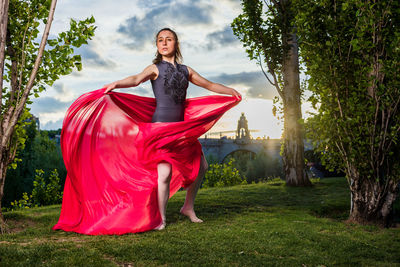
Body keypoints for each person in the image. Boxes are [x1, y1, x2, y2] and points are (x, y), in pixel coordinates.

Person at [52, 28, 241, 235]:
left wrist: (230, 91)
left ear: (176, 44)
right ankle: (161, 219)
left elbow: (209, 84)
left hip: (180, 131)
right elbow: (135, 79)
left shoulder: (187, 70)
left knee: (202, 166)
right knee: (165, 174)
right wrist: (116, 83)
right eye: (161, 40)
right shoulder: (155, 68)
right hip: (160, 130)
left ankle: (188, 207)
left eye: (169, 39)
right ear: (157, 45)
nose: (164, 43)